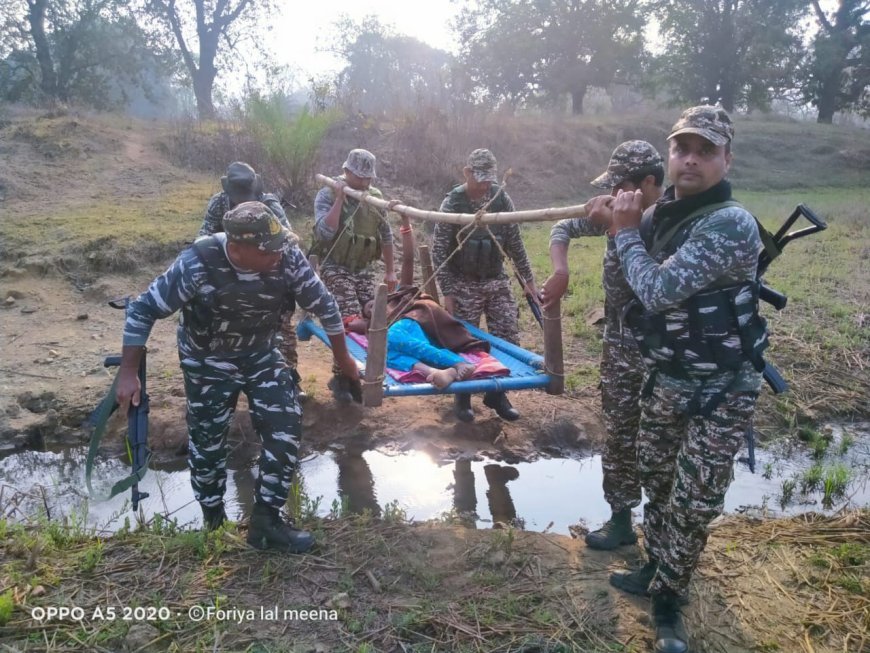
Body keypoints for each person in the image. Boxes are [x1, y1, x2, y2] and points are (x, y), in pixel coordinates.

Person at [608, 106, 769, 653]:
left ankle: (669, 602)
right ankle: (657, 563)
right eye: (682, 148)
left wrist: (625, 231)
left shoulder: (729, 222)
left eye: (706, 150)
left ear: (726, 158)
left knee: (695, 497)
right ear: (669, 155)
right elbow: (623, 268)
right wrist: (606, 220)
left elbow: (655, 290)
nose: (692, 159)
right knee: (656, 479)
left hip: (721, 389)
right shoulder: (660, 216)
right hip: (669, 377)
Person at [117, 201, 360, 553]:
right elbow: (142, 309)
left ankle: (266, 523)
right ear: (238, 248)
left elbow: (326, 307)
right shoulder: (197, 264)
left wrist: (345, 361)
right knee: (208, 439)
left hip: (260, 351)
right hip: (206, 359)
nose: (278, 256)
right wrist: (128, 372)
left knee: (285, 422)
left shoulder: (285, 256)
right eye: (267, 251)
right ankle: (213, 519)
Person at [540, 141, 664, 551]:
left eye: (621, 186)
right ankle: (622, 520)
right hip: (619, 347)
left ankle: (666, 538)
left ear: (649, 183)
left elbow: (655, 288)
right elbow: (562, 227)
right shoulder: (616, 211)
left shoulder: (674, 222)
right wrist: (561, 269)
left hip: (666, 354)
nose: (613, 195)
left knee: (665, 440)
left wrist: (620, 229)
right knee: (620, 433)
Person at [432, 148, 538, 423]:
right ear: (466, 173)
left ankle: (497, 394)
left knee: (507, 336)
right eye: (479, 178)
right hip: (463, 281)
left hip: (495, 279)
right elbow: (439, 251)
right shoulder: (453, 203)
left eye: (489, 179)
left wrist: (528, 280)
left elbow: (515, 244)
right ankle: (463, 397)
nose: (484, 185)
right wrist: (449, 291)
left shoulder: (501, 199)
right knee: (465, 342)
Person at [199, 162, 305, 399]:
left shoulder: (269, 205)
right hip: (229, 276)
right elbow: (203, 238)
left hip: (270, 274)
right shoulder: (219, 203)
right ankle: (223, 386)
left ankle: (289, 381)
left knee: (282, 330)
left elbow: (288, 243)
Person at [311, 149, 397, 403]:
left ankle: (359, 374)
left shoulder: (375, 199)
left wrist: (391, 270)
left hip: (362, 270)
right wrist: (340, 199)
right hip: (334, 267)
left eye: (368, 178)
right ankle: (342, 378)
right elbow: (324, 234)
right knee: (347, 317)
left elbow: (386, 235)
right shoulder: (327, 193)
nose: (365, 183)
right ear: (347, 172)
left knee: (373, 317)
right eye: (359, 177)